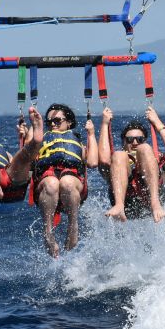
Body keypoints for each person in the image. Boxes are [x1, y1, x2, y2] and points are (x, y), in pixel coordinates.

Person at [33, 103, 98, 257]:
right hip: (46, 186)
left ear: (69, 122)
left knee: (67, 181)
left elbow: (93, 162)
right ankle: (48, 233)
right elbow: (27, 159)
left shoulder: (78, 143)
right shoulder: (41, 140)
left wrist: (91, 134)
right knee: (52, 183)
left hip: (72, 186)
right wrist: (31, 130)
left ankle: (73, 226)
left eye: (57, 121)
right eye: (49, 122)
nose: (52, 125)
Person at [100, 106, 165, 223]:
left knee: (145, 149)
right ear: (123, 142)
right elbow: (103, 160)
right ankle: (119, 206)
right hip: (126, 206)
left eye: (140, 139)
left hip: (151, 206)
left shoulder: (154, 160)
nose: (135, 142)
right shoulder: (116, 162)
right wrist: (105, 124)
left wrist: (156, 122)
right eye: (130, 139)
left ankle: (155, 203)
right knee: (118, 155)